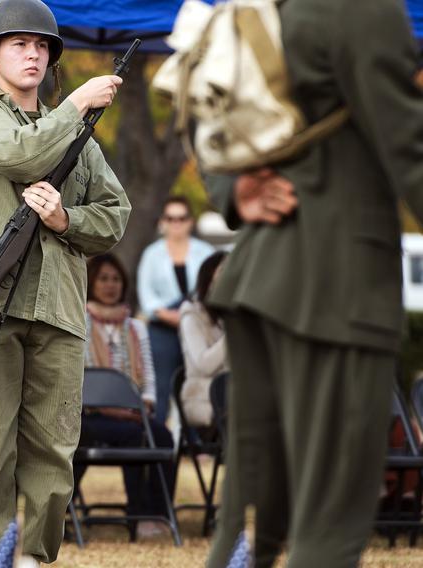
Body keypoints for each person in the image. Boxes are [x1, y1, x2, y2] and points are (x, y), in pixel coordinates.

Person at [203, 1, 423, 566]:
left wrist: (233, 192)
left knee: (251, 531)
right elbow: (409, 149)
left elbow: (207, 109)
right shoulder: (363, 7)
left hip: (259, 279)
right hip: (335, 289)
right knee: (329, 528)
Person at [0, 0, 130, 564]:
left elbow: (116, 212)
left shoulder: (82, 140)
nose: (34, 54)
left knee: (53, 456)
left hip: (58, 307)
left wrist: (67, 219)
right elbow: (22, 154)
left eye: (42, 46)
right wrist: (75, 104)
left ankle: (35, 560)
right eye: (20, 44)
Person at [81, 254, 174, 540]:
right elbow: (81, 379)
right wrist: (112, 406)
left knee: (161, 435)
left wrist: (142, 403)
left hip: (133, 415)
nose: (111, 285)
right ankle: (60, 512)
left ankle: (150, 515)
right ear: (91, 283)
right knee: (133, 435)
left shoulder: (136, 327)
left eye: (116, 279)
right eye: (104, 279)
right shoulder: (78, 321)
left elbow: (148, 383)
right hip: (90, 415)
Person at [136, 196, 214, 424]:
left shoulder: (205, 251)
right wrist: (171, 316)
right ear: (163, 221)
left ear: (191, 221)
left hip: (198, 328)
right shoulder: (151, 254)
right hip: (162, 331)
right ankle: (158, 444)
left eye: (181, 218)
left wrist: (190, 319)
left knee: (194, 385)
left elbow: (210, 289)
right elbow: (146, 296)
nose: (176, 223)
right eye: (170, 218)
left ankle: (194, 442)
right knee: (161, 386)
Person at [178, 251, 228, 428]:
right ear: (209, 278)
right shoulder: (192, 315)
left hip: (237, 396)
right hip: (203, 399)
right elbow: (205, 365)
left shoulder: (235, 316)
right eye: (223, 271)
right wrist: (233, 334)